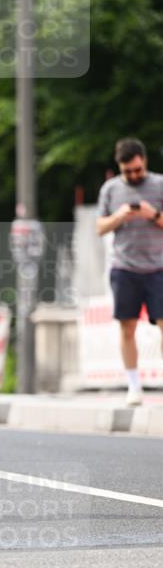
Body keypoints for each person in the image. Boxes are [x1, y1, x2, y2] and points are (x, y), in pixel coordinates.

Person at [96, 137, 163, 405]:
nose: (133, 176)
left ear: (144, 161)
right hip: (124, 268)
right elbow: (100, 226)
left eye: (137, 170)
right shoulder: (110, 190)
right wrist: (120, 216)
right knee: (127, 328)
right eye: (127, 172)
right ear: (119, 168)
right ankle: (134, 385)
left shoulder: (159, 185)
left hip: (159, 266)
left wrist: (153, 215)